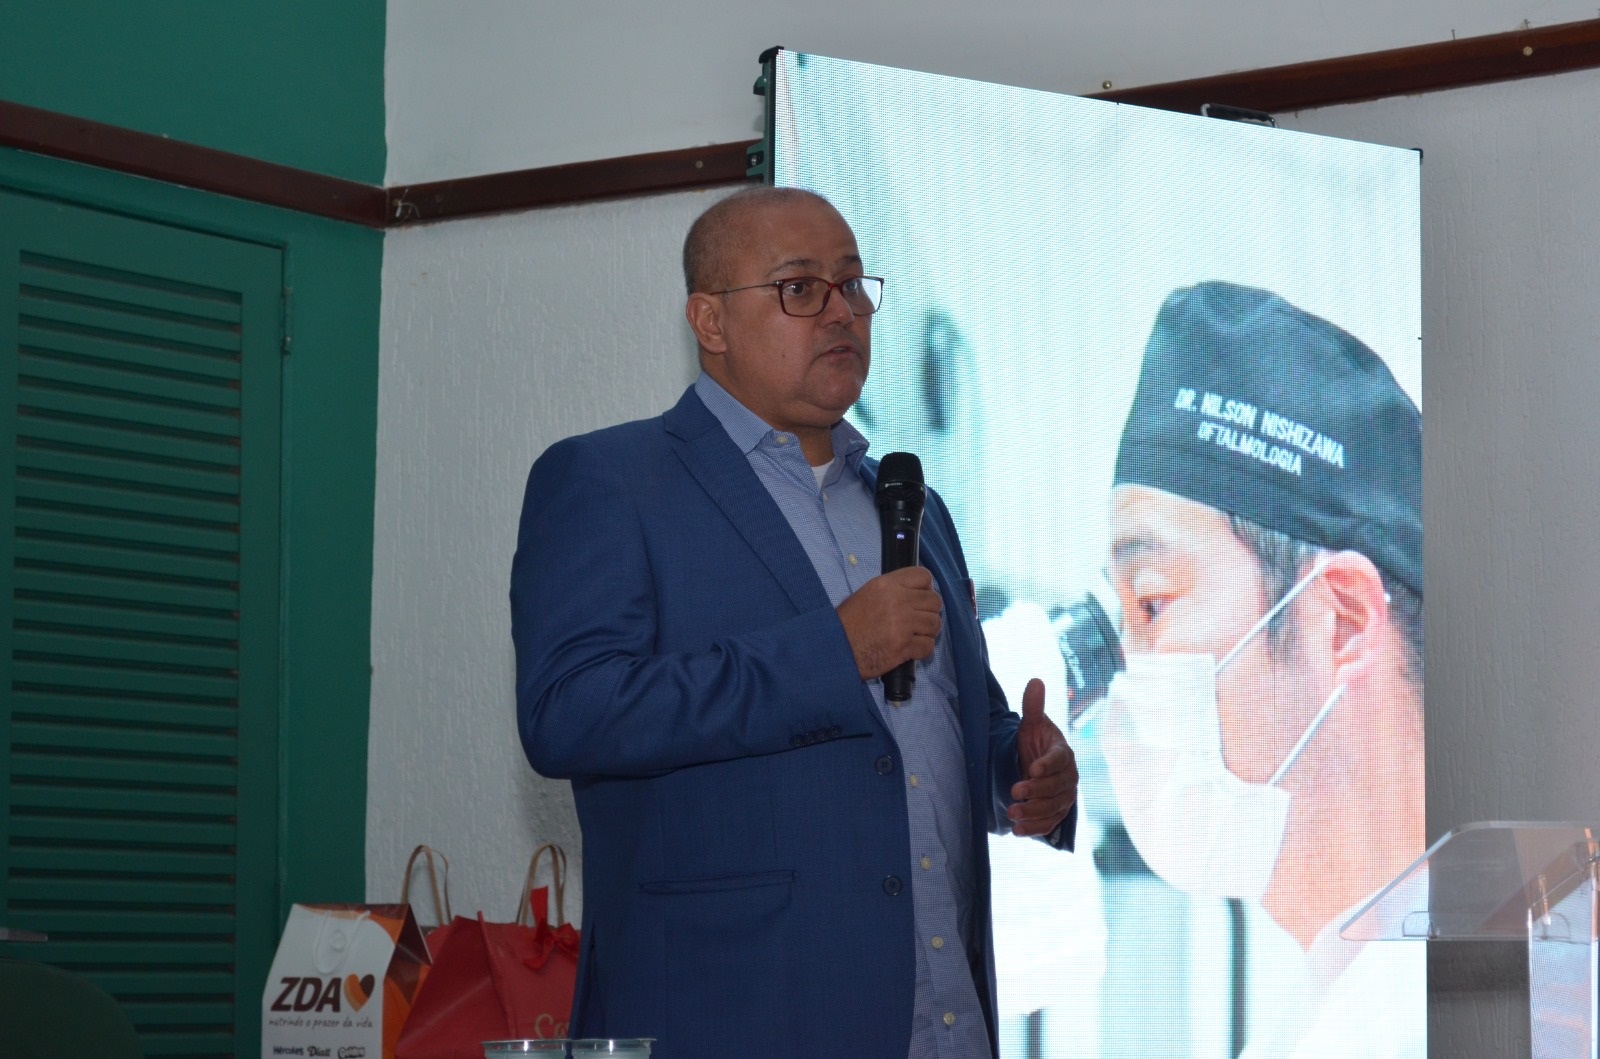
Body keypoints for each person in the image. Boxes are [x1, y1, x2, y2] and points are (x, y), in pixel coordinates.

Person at [510, 186, 1079, 1059]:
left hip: (943, 1020)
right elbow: (570, 713)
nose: (841, 311)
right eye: (801, 288)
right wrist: (834, 651)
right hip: (737, 1018)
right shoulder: (610, 481)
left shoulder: (914, 506)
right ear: (710, 320)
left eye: (853, 285)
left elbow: (934, 728)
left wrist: (1017, 770)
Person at [1099, 280, 1425, 1058]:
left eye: (1152, 603)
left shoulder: (1511, 1008)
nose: (1123, 680)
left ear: (1342, 620)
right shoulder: (1330, 1013)